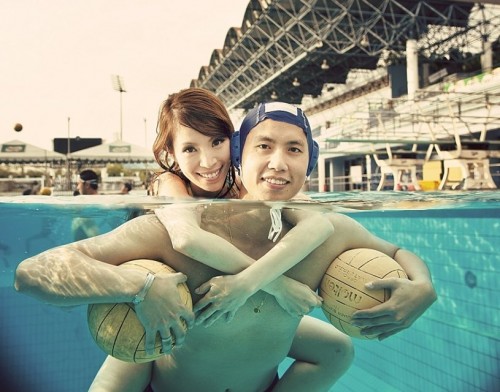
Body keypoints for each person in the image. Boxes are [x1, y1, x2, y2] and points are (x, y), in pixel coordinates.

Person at [15, 101, 437, 391]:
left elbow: (397, 251)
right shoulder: (169, 232)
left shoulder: (329, 231)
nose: (277, 163)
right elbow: (30, 273)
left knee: (337, 348)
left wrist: (424, 285)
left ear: (310, 160)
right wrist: (140, 286)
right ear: (242, 154)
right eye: (264, 147)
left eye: (294, 149)